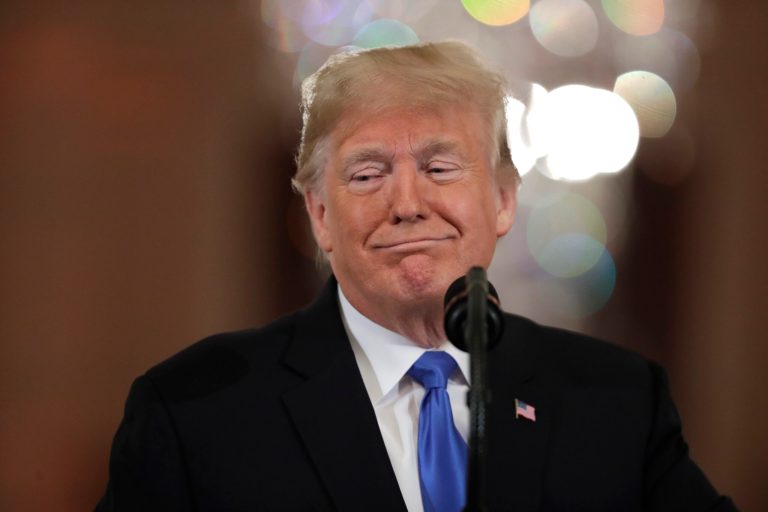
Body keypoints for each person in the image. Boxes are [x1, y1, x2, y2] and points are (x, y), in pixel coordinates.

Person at [96, 41, 736, 511]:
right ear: (319, 214)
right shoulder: (193, 413)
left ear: (504, 201)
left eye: (440, 167)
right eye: (368, 174)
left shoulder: (617, 402)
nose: (406, 204)